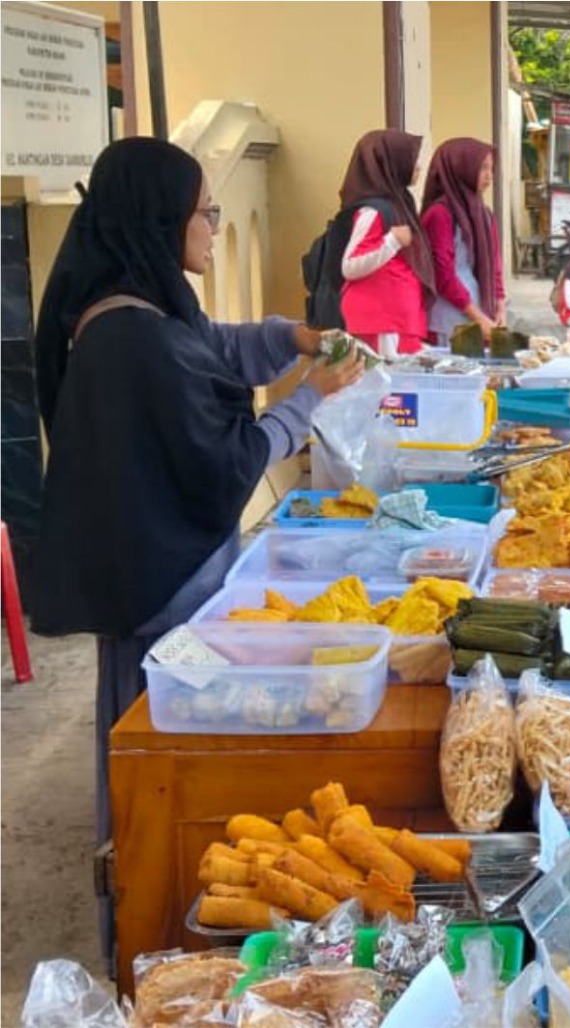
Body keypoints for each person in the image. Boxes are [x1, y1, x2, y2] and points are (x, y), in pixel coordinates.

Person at [28, 137, 364, 956]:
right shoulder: (129, 340)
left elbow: (211, 344)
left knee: (159, 760)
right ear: (159, 219)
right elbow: (231, 463)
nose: (213, 226)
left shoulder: (141, 311)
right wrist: (306, 401)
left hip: (162, 579)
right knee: (163, 771)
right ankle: (153, 935)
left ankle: (157, 917)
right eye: (203, 212)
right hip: (163, 598)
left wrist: (294, 337)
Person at [337, 129, 435, 356]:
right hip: (381, 322)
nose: (418, 168)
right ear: (390, 163)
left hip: (396, 320)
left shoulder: (400, 202)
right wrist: (391, 242)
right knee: (387, 386)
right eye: (411, 160)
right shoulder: (374, 211)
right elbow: (350, 266)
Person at [420, 137, 505, 344]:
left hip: (479, 310)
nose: (489, 176)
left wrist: (500, 306)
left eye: (491, 169)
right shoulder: (441, 213)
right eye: (482, 168)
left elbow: (495, 265)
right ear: (461, 167)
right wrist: (478, 317)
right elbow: (443, 274)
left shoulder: (484, 214)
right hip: (449, 316)